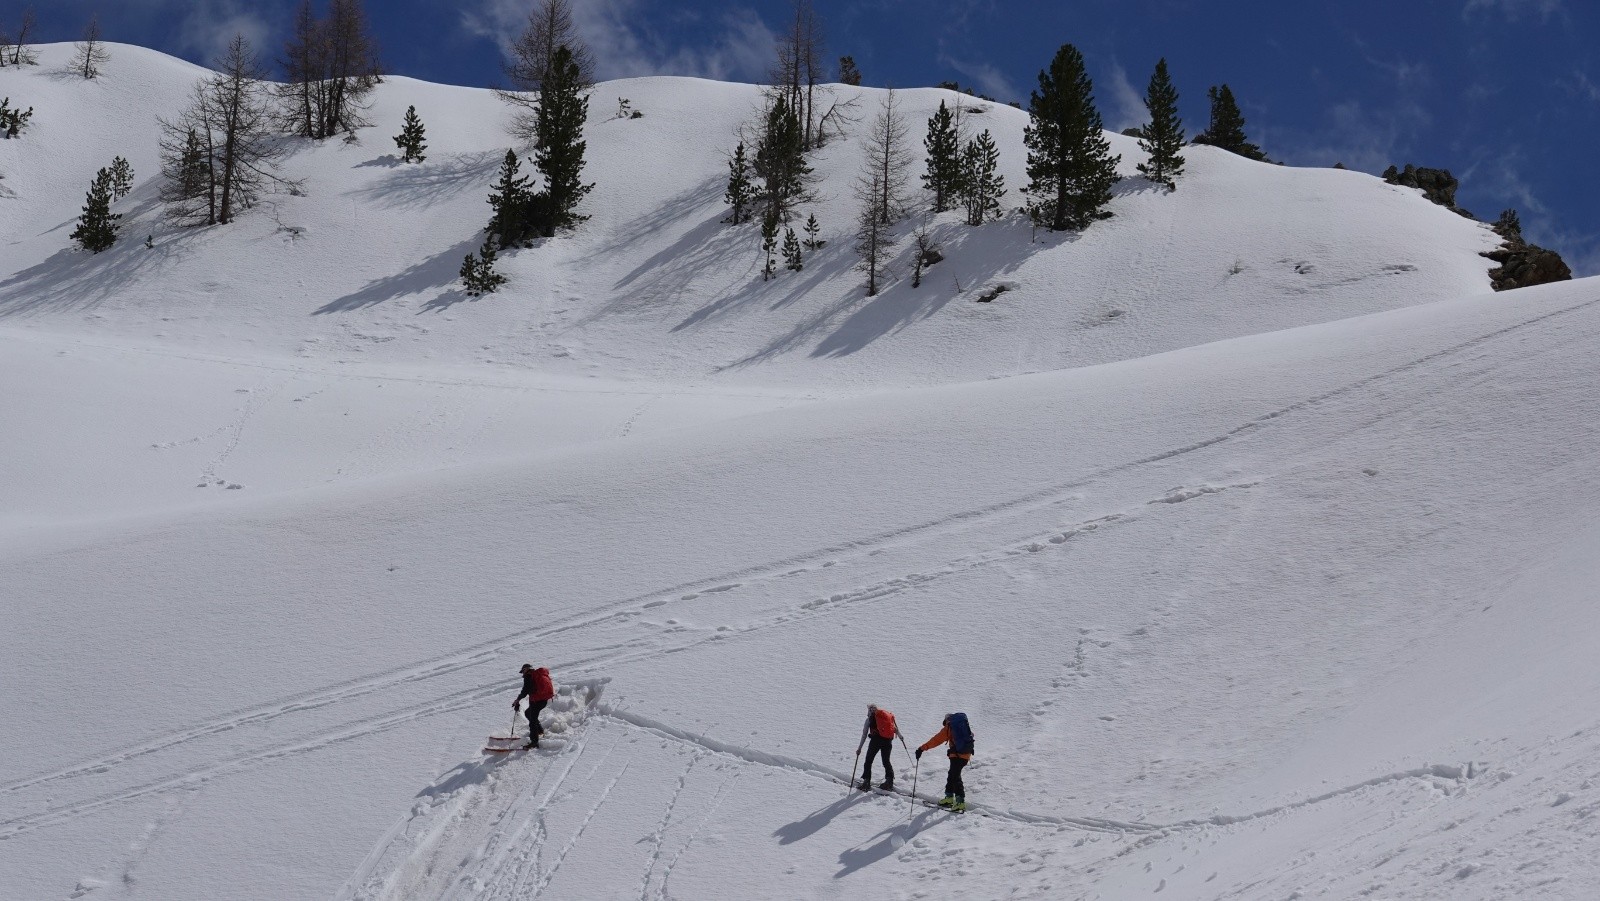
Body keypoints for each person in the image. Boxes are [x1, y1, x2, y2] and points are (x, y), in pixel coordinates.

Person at [916, 712, 975, 811]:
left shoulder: (949, 727)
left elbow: (936, 740)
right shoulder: (963, 726)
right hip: (965, 755)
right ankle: (949, 798)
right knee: (952, 774)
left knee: (955, 776)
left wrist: (922, 748)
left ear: (947, 720)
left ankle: (960, 802)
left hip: (956, 755)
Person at [856, 703, 903, 791]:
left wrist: (859, 748)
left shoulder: (869, 720)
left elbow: (864, 735)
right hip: (888, 741)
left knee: (868, 761)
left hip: (875, 741)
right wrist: (901, 737)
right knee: (886, 761)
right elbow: (895, 729)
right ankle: (889, 782)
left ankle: (866, 782)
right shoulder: (885, 718)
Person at [513, 664, 555, 748]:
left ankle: (534, 742)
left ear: (527, 669)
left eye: (523, 671)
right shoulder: (538, 674)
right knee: (528, 713)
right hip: (543, 700)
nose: (523, 673)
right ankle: (539, 731)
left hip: (536, 701)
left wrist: (517, 700)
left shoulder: (529, 676)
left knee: (532, 721)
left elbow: (525, 690)